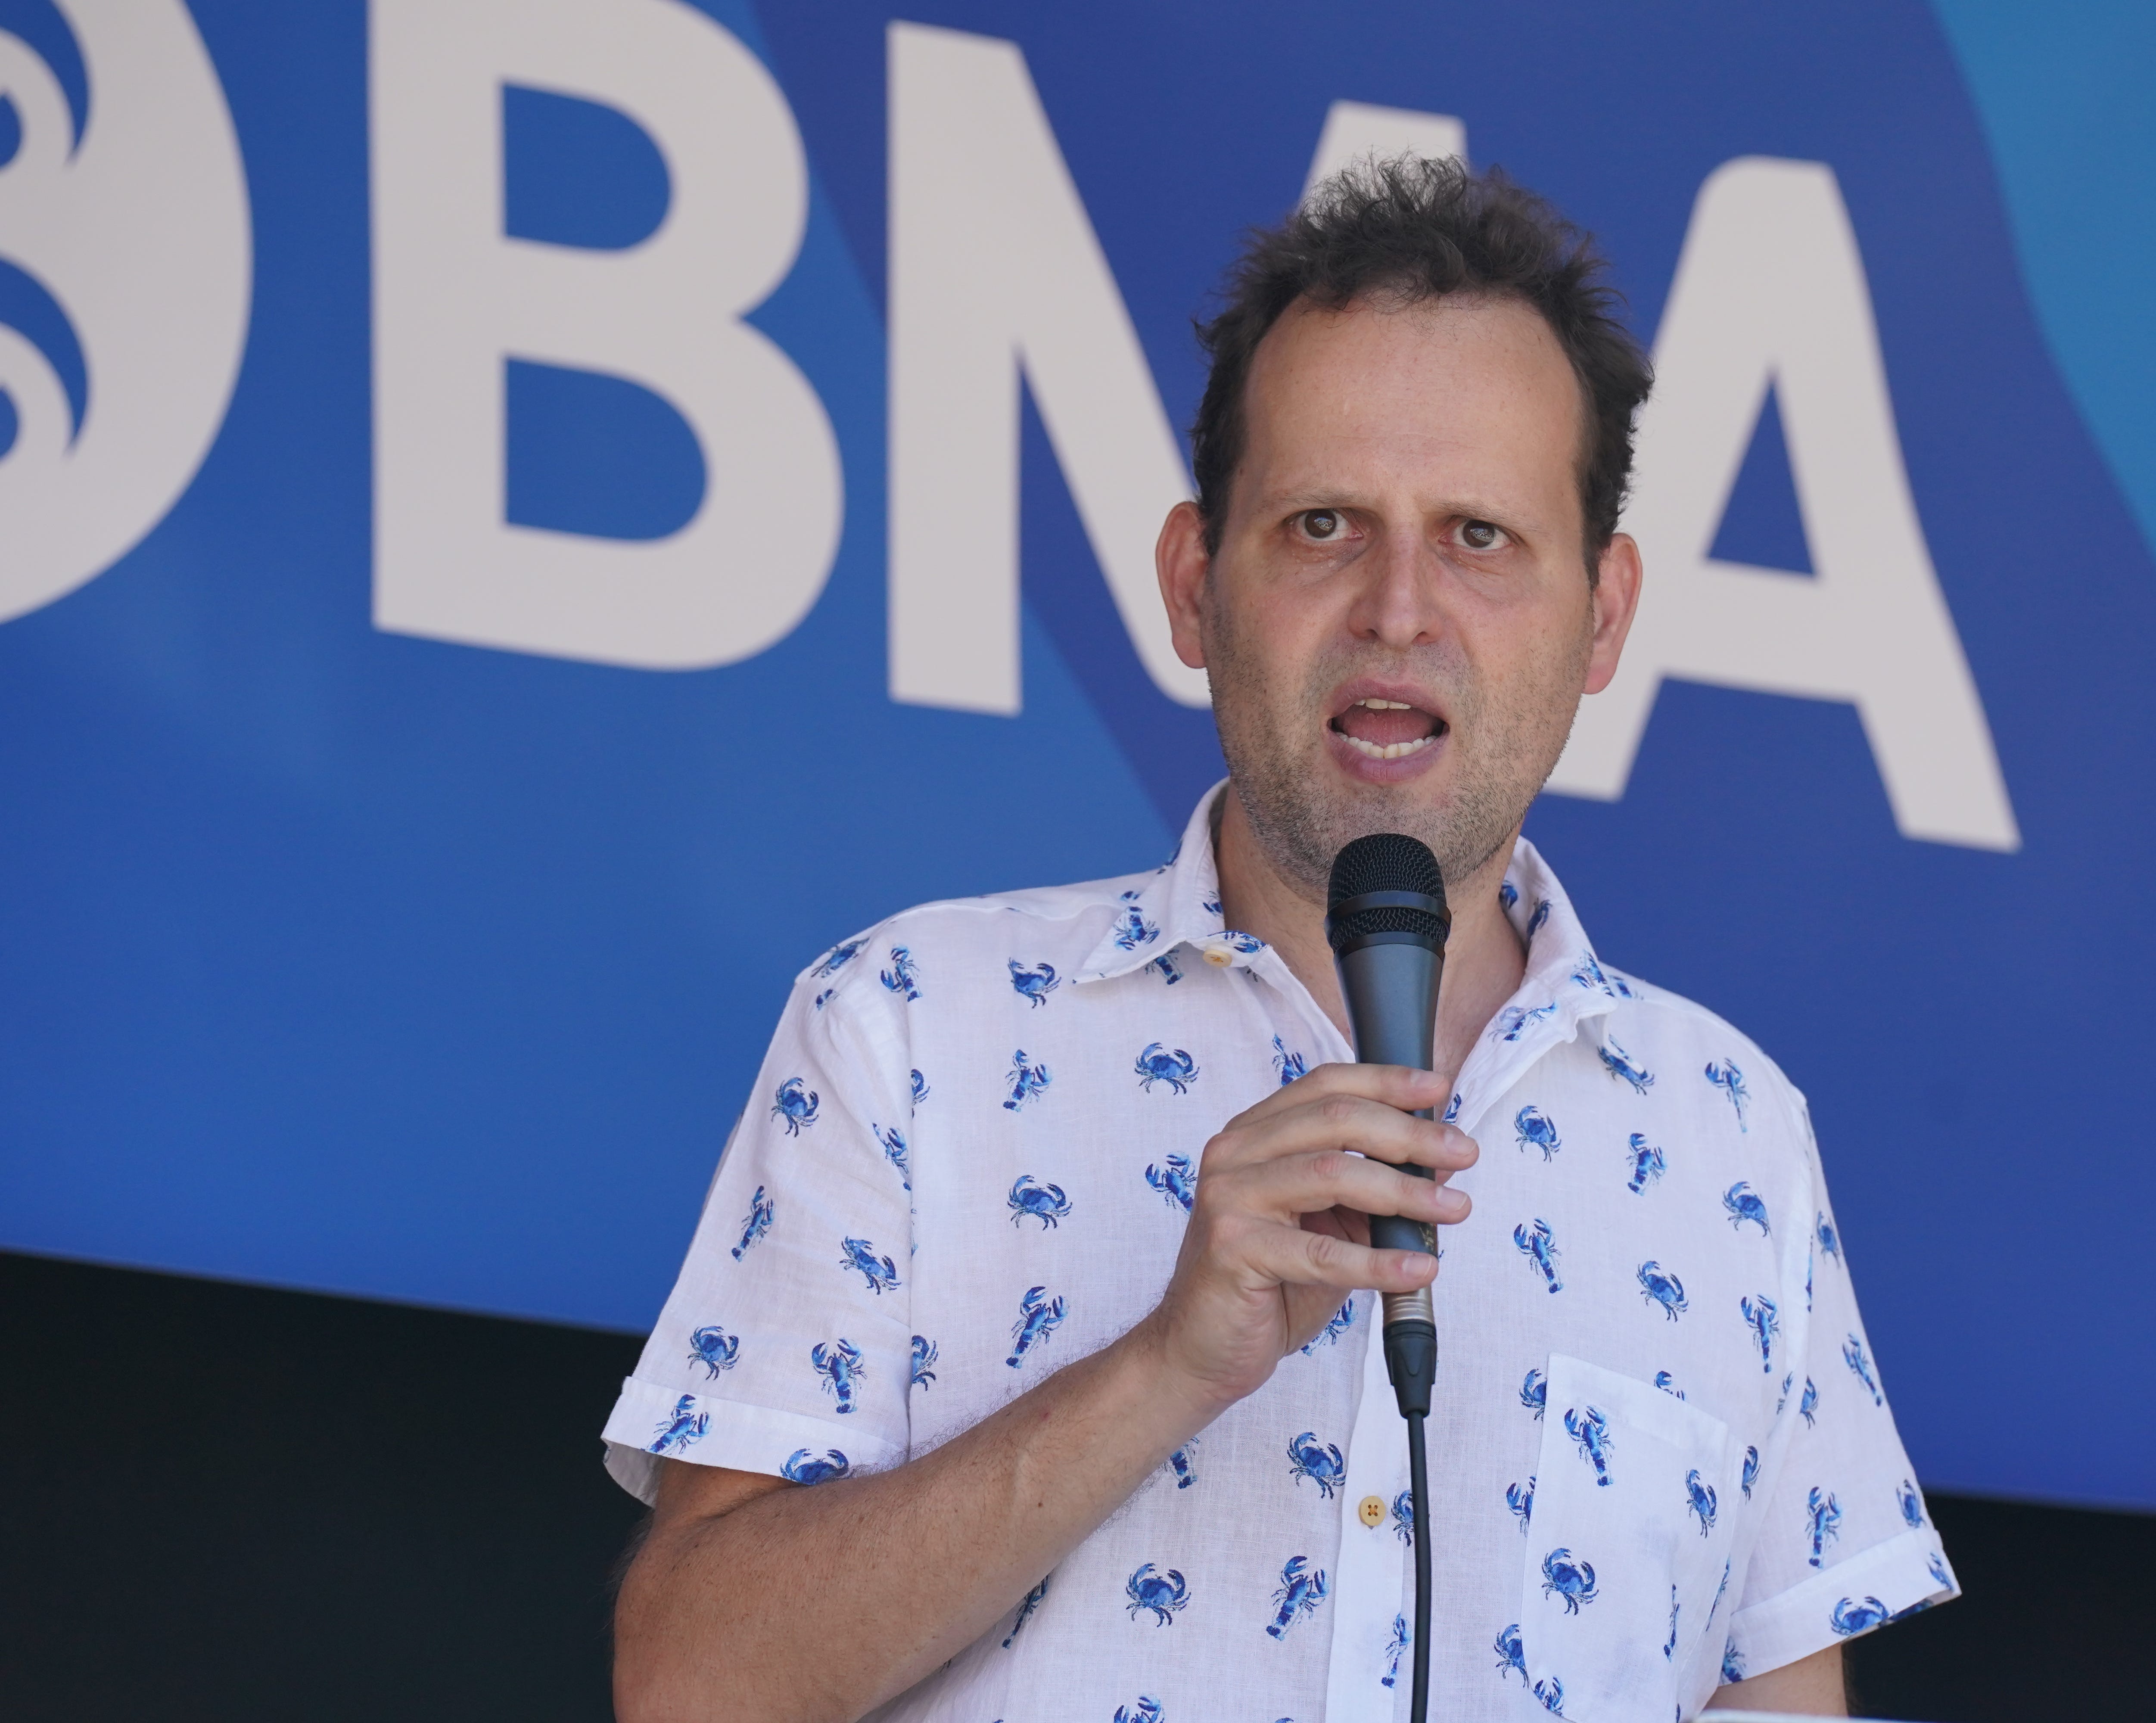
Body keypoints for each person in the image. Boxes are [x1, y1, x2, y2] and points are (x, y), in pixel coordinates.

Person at [604, 159, 1955, 1723]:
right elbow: (688, 1688)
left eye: (1481, 536)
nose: (1397, 607)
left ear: (1603, 617)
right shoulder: (909, 1029)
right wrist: (1166, 1365)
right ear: (1195, 585)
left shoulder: (1729, 1135)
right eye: (1323, 524)